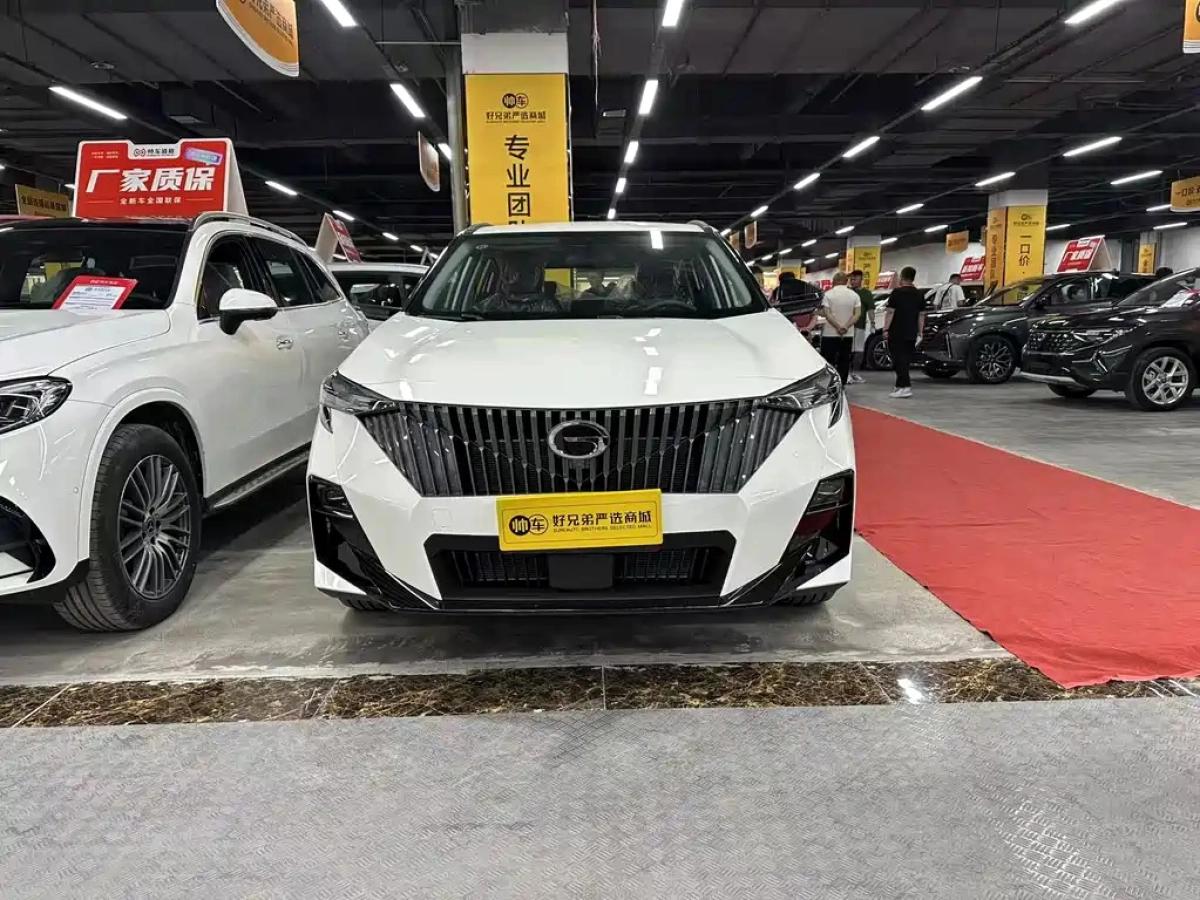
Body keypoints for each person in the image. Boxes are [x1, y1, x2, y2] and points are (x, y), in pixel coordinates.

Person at [883, 266, 927, 399]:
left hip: (897, 330)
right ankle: (899, 385)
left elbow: (890, 312)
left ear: (902, 277)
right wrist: (920, 332)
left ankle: (905, 386)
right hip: (911, 331)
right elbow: (921, 315)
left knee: (898, 359)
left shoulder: (897, 293)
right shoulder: (919, 294)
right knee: (905, 359)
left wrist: (885, 328)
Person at [477, 253, 562, 315]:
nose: (519, 277)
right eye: (513, 273)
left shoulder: (546, 305)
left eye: (530, 273)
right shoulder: (493, 304)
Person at [820, 271, 861, 385]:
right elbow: (857, 314)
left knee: (829, 361)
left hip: (830, 333)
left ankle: (829, 385)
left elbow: (827, 314)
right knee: (844, 360)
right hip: (847, 334)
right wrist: (845, 327)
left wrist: (838, 326)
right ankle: (842, 385)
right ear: (846, 281)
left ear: (834, 281)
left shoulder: (828, 295)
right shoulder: (854, 295)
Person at [847, 269, 874, 383]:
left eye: (855, 279)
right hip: (846, 326)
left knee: (858, 351)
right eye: (851, 279)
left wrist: (872, 323)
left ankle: (855, 373)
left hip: (860, 326)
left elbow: (871, 309)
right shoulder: (847, 292)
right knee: (848, 350)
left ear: (861, 279)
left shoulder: (866, 294)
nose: (852, 281)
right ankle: (847, 373)